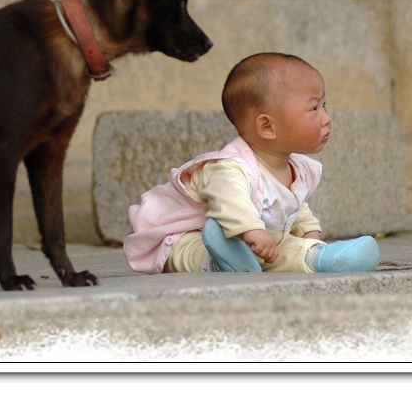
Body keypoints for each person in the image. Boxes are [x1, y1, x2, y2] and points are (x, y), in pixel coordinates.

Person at [123, 52, 380, 274]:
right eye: (314, 109)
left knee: (283, 250)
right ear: (267, 126)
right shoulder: (231, 167)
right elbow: (229, 202)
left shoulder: (296, 169)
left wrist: (309, 235)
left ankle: (320, 259)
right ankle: (214, 263)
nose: (326, 118)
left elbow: (294, 206)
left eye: (325, 105)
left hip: (254, 243)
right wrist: (253, 231)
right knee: (189, 249)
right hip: (187, 234)